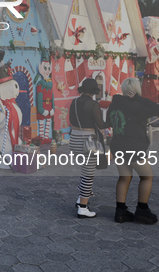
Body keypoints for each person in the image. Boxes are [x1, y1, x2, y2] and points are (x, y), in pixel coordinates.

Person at [107, 78, 159, 224]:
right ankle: (142, 211)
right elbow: (158, 109)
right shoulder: (136, 106)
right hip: (133, 146)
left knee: (124, 177)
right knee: (147, 177)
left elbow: (108, 122)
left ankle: (120, 212)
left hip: (118, 145)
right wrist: (138, 98)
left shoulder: (114, 105)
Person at [69, 78, 108, 218]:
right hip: (88, 141)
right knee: (88, 174)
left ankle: (81, 199)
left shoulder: (74, 102)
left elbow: (71, 120)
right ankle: (83, 208)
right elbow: (101, 124)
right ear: (94, 91)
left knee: (85, 170)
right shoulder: (93, 104)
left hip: (74, 138)